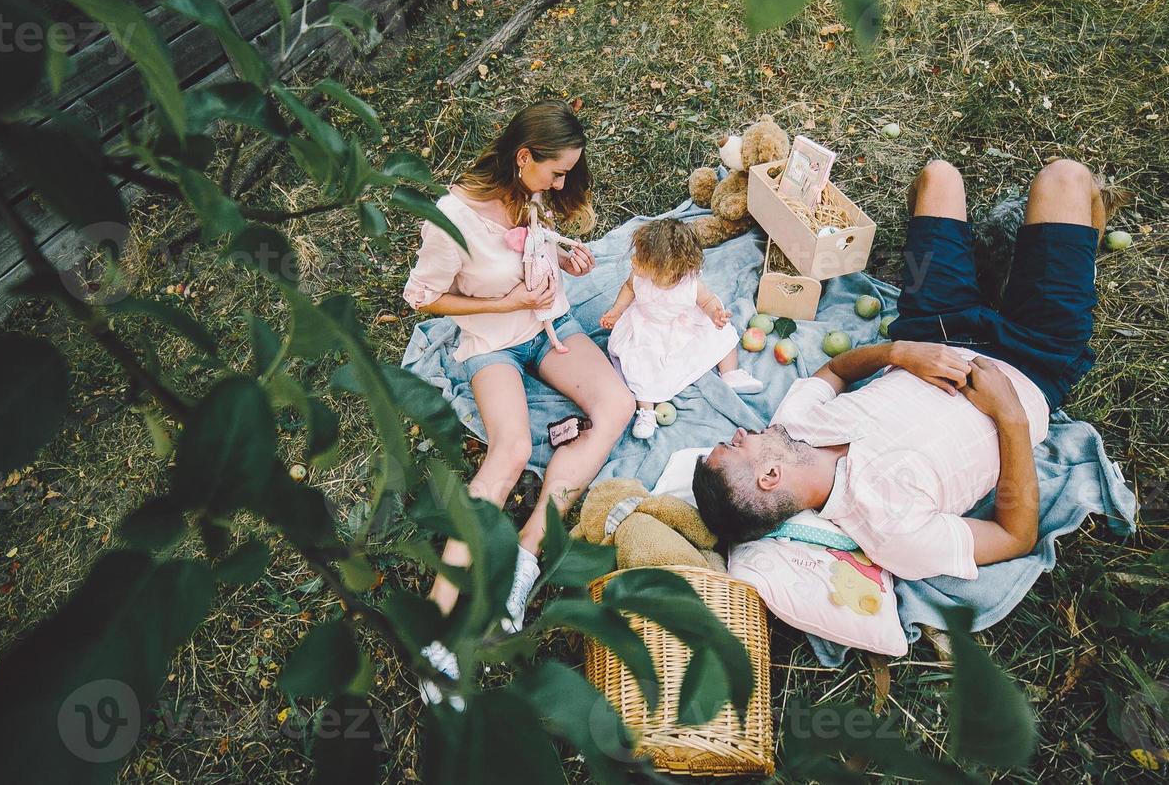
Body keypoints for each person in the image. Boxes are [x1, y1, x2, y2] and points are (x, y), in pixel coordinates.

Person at [692, 158, 1112, 580]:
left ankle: (1007, 272)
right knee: (1067, 176)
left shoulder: (790, 424)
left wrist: (898, 354)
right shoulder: (893, 535)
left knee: (937, 177)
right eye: (734, 446)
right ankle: (1072, 263)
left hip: (936, 326)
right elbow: (1013, 538)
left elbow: (837, 370)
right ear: (769, 475)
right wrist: (1010, 415)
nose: (740, 432)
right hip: (1034, 361)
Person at [402, 100, 635, 702]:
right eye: (556, 173)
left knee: (617, 407)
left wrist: (561, 253)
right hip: (493, 345)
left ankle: (526, 558)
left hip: (550, 328)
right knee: (509, 453)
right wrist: (500, 306)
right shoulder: (449, 219)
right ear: (524, 156)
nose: (562, 184)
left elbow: (532, 241)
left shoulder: (527, 193)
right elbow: (423, 298)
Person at [600, 218, 763, 439]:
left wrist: (716, 314)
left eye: (640, 258)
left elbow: (707, 301)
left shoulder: (690, 284)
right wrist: (617, 310)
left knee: (722, 335)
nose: (633, 260)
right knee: (639, 363)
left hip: (681, 324)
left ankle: (730, 373)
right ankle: (646, 411)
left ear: (666, 270)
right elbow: (628, 289)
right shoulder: (639, 277)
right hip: (647, 328)